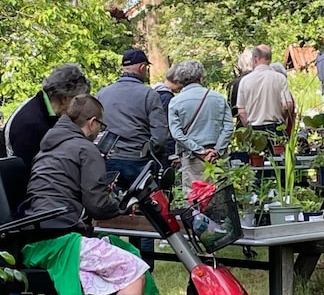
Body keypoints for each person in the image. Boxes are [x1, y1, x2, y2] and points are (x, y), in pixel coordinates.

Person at [19, 95, 157, 295]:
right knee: (134, 270)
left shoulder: (48, 146)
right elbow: (97, 204)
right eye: (100, 125)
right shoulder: (85, 149)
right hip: (61, 237)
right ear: (92, 123)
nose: (99, 131)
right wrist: (121, 204)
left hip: (39, 235)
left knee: (125, 255)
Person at [95, 48, 170, 188]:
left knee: (112, 205)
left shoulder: (102, 94)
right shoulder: (150, 95)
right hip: (138, 163)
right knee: (144, 207)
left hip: (108, 162)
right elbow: (160, 137)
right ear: (142, 67)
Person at [2, 63, 90, 168]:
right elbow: (33, 173)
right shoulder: (33, 124)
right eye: (78, 101)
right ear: (64, 98)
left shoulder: (40, 106)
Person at [166, 61, 235, 191]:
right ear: (201, 77)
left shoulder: (175, 102)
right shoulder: (218, 98)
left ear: (179, 79)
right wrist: (217, 150)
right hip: (217, 159)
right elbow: (228, 128)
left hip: (192, 159)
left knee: (195, 199)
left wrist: (200, 151)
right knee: (221, 196)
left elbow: (177, 134)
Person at [235, 45, 295, 138]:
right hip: (275, 128)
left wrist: (248, 128)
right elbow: (287, 105)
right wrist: (283, 119)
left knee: (256, 153)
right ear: (270, 59)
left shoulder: (245, 81)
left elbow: (241, 111)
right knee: (276, 152)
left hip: (254, 128)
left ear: (255, 59)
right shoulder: (280, 78)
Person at [152, 77, 178, 157]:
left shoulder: (152, 94)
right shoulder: (167, 98)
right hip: (166, 147)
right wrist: (172, 153)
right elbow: (168, 125)